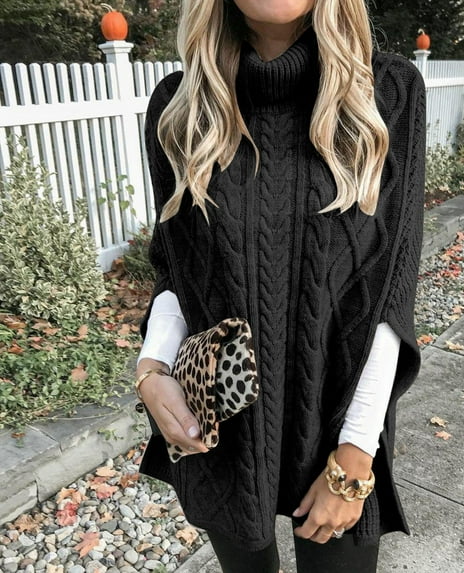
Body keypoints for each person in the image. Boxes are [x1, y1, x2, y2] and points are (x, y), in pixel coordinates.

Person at [135, 0, 426, 571]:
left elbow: (389, 292)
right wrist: (152, 368)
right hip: (222, 414)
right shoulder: (179, 105)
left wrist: (354, 456)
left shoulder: (386, 92)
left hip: (338, 411)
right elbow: (177, 267)